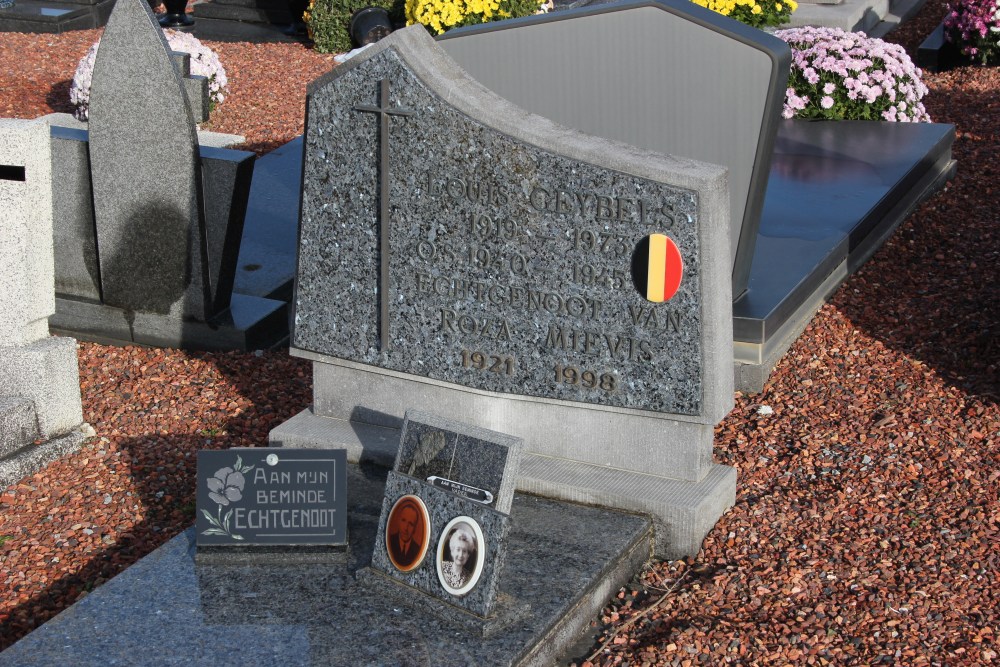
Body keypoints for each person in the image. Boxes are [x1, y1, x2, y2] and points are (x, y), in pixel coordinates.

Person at [440, 523, 477, 590]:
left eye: (464, 551)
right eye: (458, 549)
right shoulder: (442, 566)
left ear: (468, 555)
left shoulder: (469, 579)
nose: (460, 555)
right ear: (452, 551)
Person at [387, 502, 422, 569]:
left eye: (411, 524)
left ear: (414, 529)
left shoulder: (417, 549)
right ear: (398, 521)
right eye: (403, 520)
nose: (406, 528)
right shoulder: (391, 540)